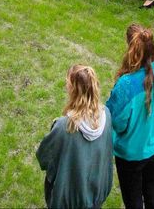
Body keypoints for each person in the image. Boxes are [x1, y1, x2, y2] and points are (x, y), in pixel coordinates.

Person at [107, 24, 154, 209]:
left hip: (131, 154)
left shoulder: (126, 84)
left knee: (133, 201)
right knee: (153, 195)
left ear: (131, 47)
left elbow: (116, 121)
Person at [37, 64, 115, 209]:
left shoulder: (63, 126)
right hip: (95, 197)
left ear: (73, 89)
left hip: (68, 201)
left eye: (67, 83)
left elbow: (44, 158)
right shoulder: (107, 115)